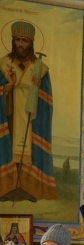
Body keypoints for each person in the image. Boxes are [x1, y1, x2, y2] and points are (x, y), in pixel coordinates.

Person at [0, 21, 56, 202]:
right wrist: (8, 86)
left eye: (25, 40)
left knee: (29, 151)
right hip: (9, 118)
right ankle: (8, 188)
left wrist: (38, 91)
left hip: (33, 121)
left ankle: (29, 189)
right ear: (12, 41)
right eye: (17, 40)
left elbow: (48, 101)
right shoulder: (3, 65)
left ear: (31, 43)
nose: (21, 44)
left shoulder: (41, 69)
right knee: (9, 150)